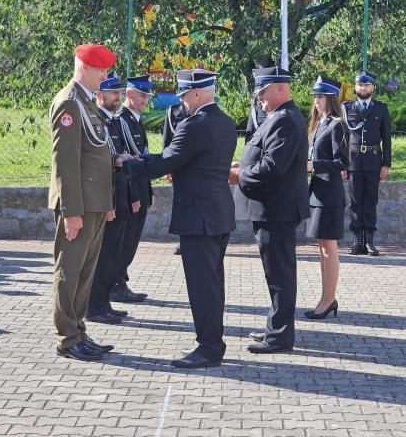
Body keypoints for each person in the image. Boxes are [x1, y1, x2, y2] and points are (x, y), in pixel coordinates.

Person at [125, 69, 237, 369]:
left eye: (185, 95)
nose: (183, 102)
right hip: (218, 213)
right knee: (212, 283)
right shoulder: (225, 122)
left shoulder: (195, 125)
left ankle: (209, 347)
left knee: (202, 286)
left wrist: (131, 163)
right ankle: (212, 342)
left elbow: (165, 162)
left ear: (198, 94)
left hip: (198, 216)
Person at [229, 66, 309, 354]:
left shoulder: (285, 119)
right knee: (276, 274)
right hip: (273, 208)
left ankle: (280, 337)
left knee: (280, 275)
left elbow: (272, 167)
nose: (260, 97)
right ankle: (275, 328)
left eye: (263, 91)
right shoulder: (277, 116)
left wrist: (238, 176)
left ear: (280, 89)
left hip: (277, 209)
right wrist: (243, 167)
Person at [48, 43, 117, 362]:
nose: (105, 75)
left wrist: (106, 201)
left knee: (85, 272)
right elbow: (66, 163)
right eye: (101, 69)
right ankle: (67, 337)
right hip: (79, 206)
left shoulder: (86, 103)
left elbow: (96, 156)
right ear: (85, 68)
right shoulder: (70, 103)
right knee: (70, 272)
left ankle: (78, 329)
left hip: (94, 203)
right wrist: (71, 211)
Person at [86, 72, 141, 324]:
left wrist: (133, 196)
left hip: (121, 196)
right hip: (107, 198)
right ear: (99, 94)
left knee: (114, 255)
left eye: (119, 92)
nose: (118, 96)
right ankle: (95, 306)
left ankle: (104, 302)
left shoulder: (117, 122)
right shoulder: (97, 121)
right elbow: (100, 165)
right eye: (112, 92)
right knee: (103, 256)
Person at [304, 76, 348, 320]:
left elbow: (343, 162)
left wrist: (314, 165)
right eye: (315, 96)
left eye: (321, 96)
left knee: (329, 248)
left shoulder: (336, 124)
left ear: (331, 98)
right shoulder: (320, 124)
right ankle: (325, 298)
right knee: (323, 248)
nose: (317, 101)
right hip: (319, 193)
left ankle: (329, 299)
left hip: (330, 194)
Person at [110, 75, 154, 303]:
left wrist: (149, 191)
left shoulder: (135, 120)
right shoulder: (121, 121)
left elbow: (142, 158)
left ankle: (120, 282)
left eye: (147, 95)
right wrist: (135, 195)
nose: (145, 100)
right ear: (129, 94)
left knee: (132, 241)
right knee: (124, 241)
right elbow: (127, 163)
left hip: (139, 188)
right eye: (142, 95)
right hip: (128, 192)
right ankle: (116, 284)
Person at [342, 72, 391, 256]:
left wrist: (386, 164)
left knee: (370, 201)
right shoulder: (347, 108)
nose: (363, 88)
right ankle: (357, 241)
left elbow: (386, 138)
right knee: (355, 202)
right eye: (360, 85)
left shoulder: (381, 108)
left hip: (373, 161)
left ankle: (369, 241)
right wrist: (342, 164)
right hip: (353, 161)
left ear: (373, 87)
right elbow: (343, 139)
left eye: (367, 85)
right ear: (355, 87)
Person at [162, 101, 189, 255]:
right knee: (180, 203)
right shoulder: (172, 111)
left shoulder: (199, 108)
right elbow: (167, 140)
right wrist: (167, 167)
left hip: (195, 166)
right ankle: (182, 240)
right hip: (178, 166)